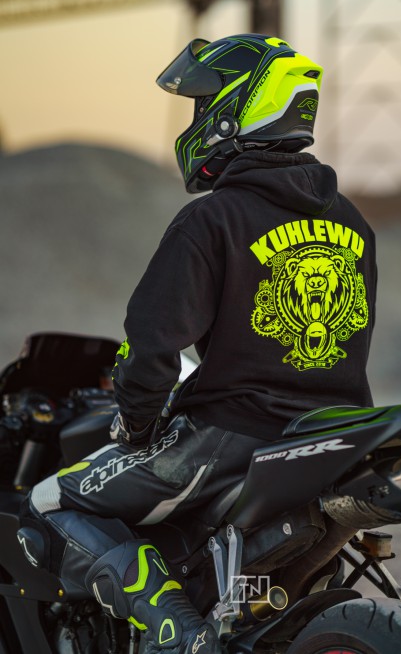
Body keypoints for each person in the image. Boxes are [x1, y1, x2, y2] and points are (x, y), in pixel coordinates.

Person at [17, 33, 377, 653]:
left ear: (242, 106)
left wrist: (135, 424)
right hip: (335, 434)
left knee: (47, 504)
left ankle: (180, 636)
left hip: (230, 437)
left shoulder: (214, 218)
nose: (197, 118)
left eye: (204, 103)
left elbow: (154, 345)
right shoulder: (353, 223)